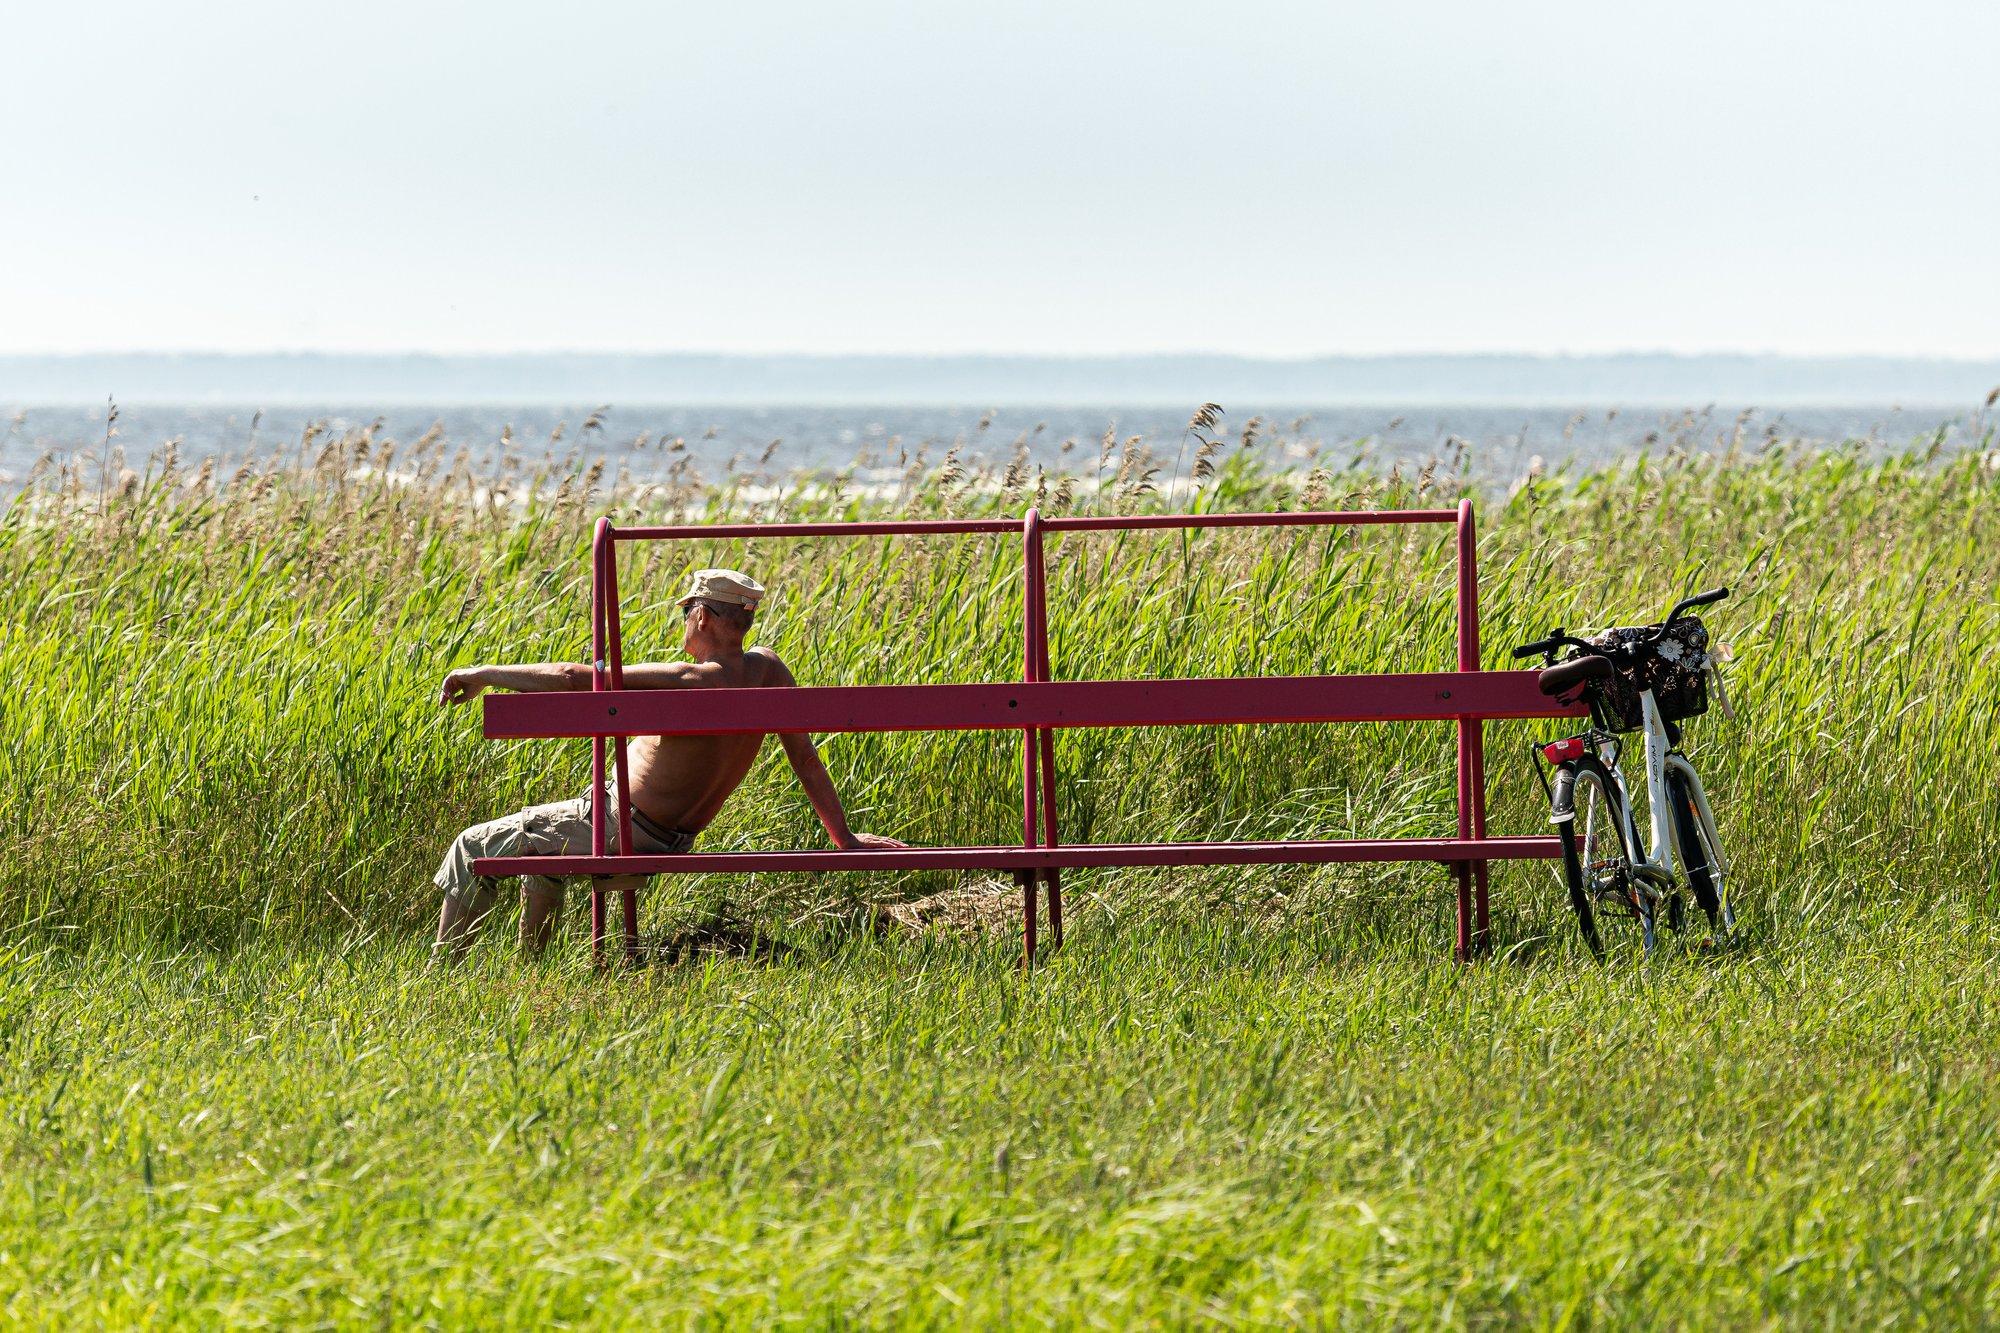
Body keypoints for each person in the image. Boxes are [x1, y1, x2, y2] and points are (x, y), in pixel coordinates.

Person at [431, 567, 904, 957]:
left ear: (701, 617)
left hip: (619, 826)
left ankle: (444, 976)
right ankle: (532, 971)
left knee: (471, 846)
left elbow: (573, 677)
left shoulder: (689, 678)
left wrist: (482, 673)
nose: (682, 622)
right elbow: (805, 758)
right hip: (670, 838)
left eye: (684, 612)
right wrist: (843, 838)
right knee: (544, 854)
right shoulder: (770, 671)